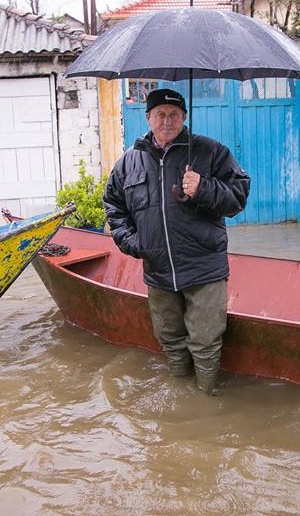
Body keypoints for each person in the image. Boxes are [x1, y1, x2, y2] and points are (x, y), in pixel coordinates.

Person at [103, 88, 250, 394]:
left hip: (203, 268)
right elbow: (113, 206)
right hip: (157, 271)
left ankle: (205, 402)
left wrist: (205, 187)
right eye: (160, 114)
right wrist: (134, 242)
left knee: (206, 340)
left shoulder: (210, 152)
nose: (167, 121)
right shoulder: (129, 162)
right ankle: (183, 399)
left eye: (173, 115)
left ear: (184, 117)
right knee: (170, 338)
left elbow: (238, 197)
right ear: (148, 118)